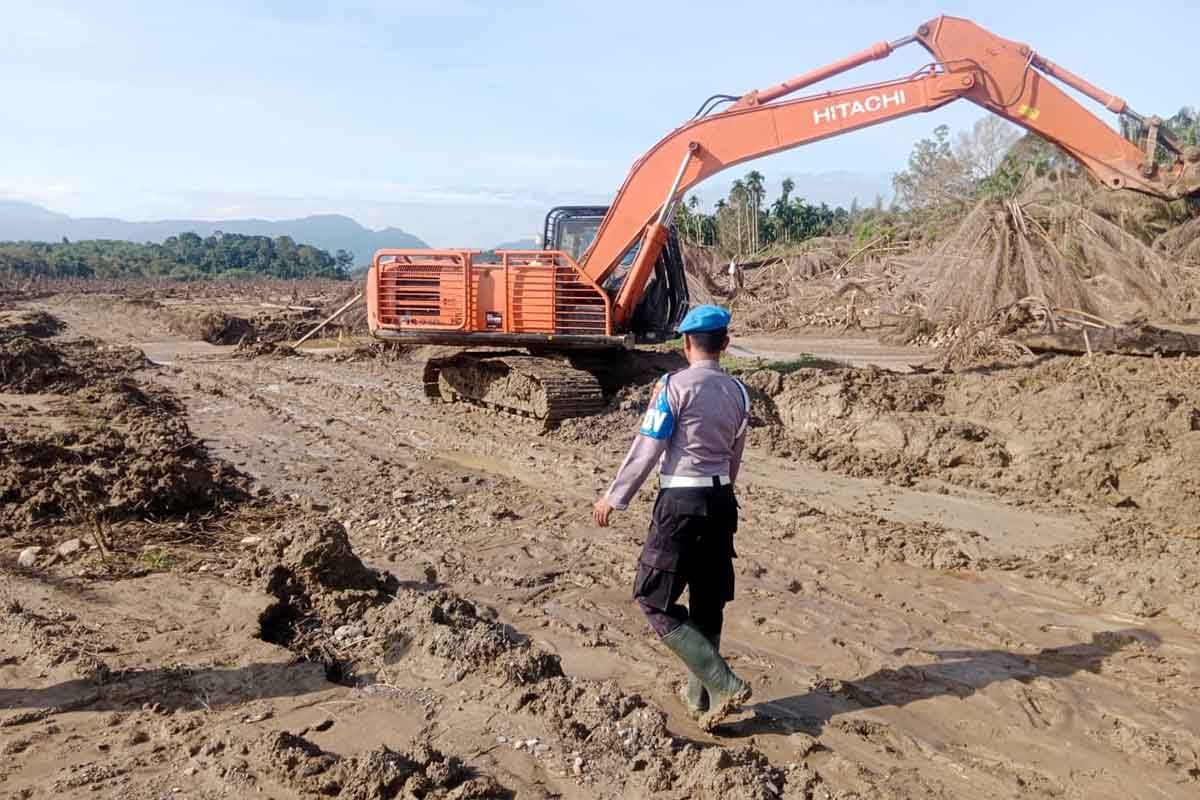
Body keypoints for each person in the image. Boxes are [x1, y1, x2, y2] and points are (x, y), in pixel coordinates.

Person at [592, 304, 752, 731]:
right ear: (725, 344)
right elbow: (734, 458)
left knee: (652, 597)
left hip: (680, 503)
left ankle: (721, 682)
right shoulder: (739, 392)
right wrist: (720, 491)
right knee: (707, 601)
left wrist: (614, 496)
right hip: (721, 503)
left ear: (685, 343)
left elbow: (648, 448)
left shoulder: (672, 387)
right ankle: (702, 702)